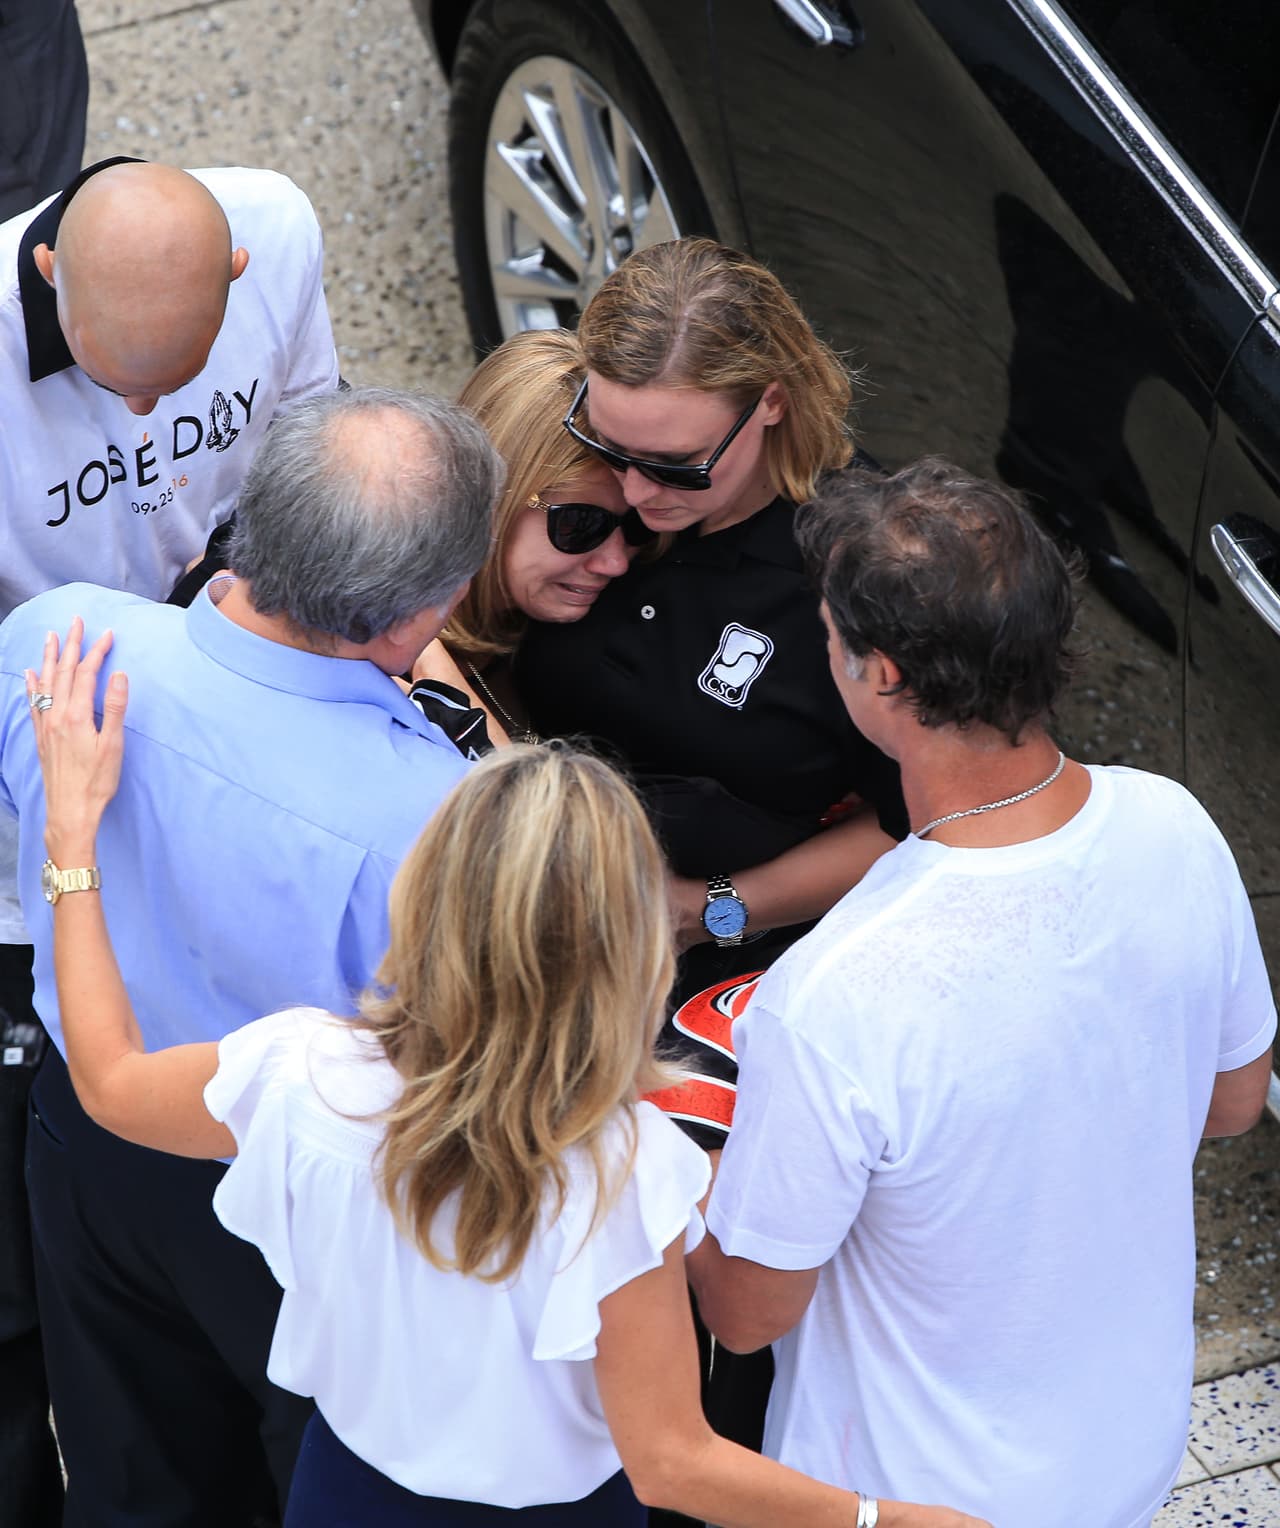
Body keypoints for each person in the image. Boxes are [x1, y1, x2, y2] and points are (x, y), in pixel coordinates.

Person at [23, 627, 988, 1528]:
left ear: (429, 894)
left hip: (347, 1491)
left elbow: (108, 1079)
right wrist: (887, 1518)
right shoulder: (627, 1169)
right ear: (629, 945)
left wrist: (73, 838)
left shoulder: (301, 1071)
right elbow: (671, 1462)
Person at [690, 458, 1277, 1527]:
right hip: (1123, 1455)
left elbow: (744, 1312)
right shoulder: (1175, 824)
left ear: (880, 676)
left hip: (918, 1499)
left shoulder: (832, 992)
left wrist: (679, 1155)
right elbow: (1233, 1101)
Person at [0, 387, 502, 1527]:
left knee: (128, 1469)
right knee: (310, 1479)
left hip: (88, 1139)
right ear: (419, 615)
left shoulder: (64, 638)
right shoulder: (437, 821)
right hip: (301, 1200)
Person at [512, 238, 905, 1457]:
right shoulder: (578, 469)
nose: (634, 496)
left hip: (714, 997)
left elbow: (918, 823)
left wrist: (712, 905)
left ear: (770, 403)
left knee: (681, 1356)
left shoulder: (856, 566)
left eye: (676, 465)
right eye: (608, 447)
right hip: (532, 957)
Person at [0, 155, 340, 1524]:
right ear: (45, 279)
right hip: (32, 813)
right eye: (112, 379)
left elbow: (302, 482)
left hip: (225, 775)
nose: (144, 415)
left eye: (174, 380)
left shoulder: (279, 235)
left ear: (236, 281)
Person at [408, 327, 655, 749]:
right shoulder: (376, 651)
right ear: (493, 497)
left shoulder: (562, 626)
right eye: (580, 525)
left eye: (639, 524)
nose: (616, 563)